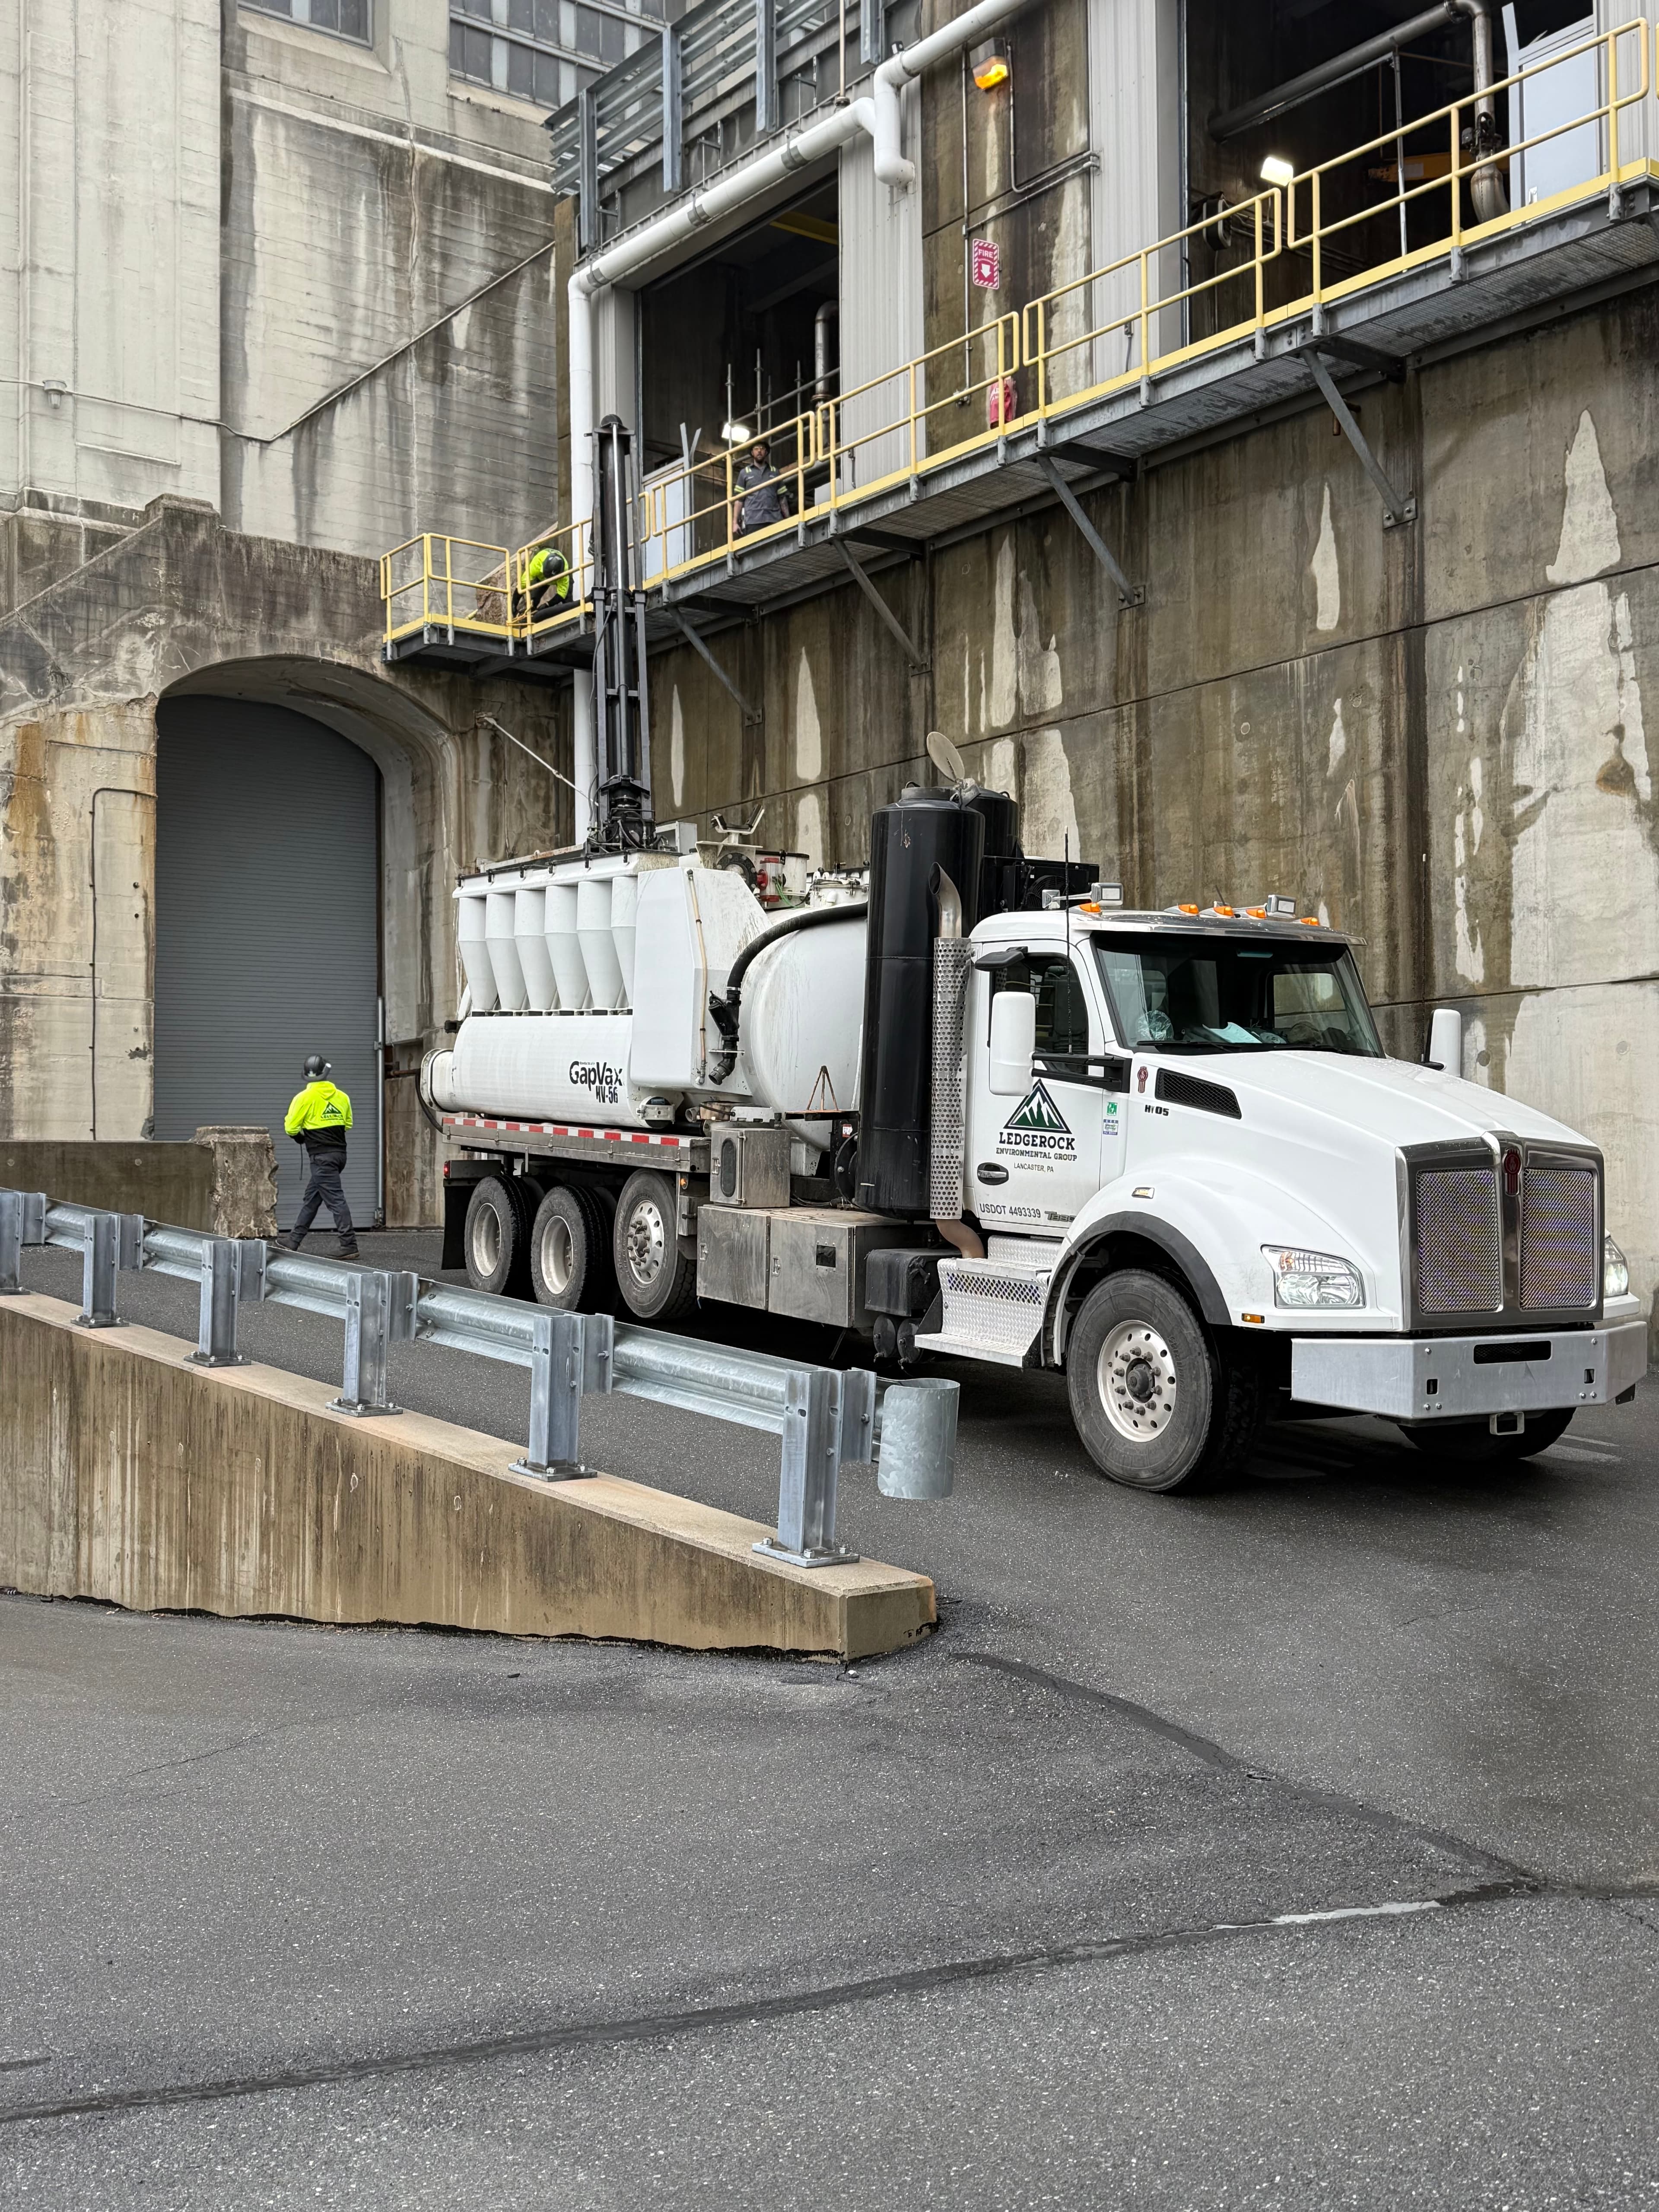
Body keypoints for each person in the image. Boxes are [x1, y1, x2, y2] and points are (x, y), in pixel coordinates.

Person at [282, 1055, 358, 1257]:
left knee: (336, 1200)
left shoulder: (303, 1098)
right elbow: (348, 1124)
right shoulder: (342, 1097)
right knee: (312, 1199)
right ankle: (294, 1240)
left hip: (321, 1158)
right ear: (326, 1073)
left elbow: (291, 1127)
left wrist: (301, 1136)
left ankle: (349, 1245)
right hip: (339, 1155)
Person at [733, 441, 791, 536]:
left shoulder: (775, 472)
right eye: (756, 449)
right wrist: (735, 523)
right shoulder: (745, 473)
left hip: (774, 520)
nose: (759, 451)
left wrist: (788, 519)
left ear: (766, 452)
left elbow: (782, 498)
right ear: (752, 453)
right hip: (753, 521)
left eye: (762, 449)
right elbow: (739, 500)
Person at [523, 540, 571, 618]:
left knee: (567, 597)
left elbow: (562, 594)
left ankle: (569, 613)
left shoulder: (564, 573)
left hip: (557, 575)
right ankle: (530, 613)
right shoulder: (537, 563)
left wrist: (548, 604)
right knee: (534, 595)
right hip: (542, 573)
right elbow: (523, 584)